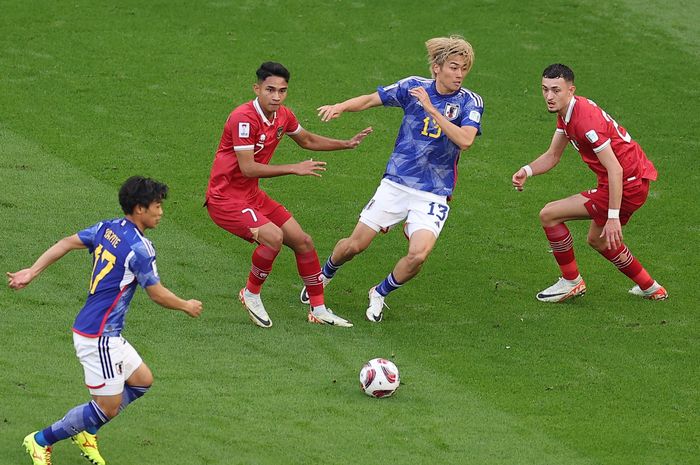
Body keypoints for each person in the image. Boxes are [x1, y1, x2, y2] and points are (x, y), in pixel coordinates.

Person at [8, 176, 203, 465]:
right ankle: (40, 440)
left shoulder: (107, 228)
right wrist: (185, 305)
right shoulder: (141, 249)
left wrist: (32, 272)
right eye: (157, 206)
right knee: (108, 407)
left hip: (103, 331)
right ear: (139, 209)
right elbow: (157, 294)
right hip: (99, 336)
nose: (161, 212)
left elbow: (65, 243)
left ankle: (87, 432)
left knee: (141, 381)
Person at [299, 35, 484, 322]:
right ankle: (324, 275)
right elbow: (373, 99)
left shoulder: (470, 102)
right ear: (437, 67)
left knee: (418, 256)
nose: (459, 74)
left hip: (434, 192)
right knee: (355, 246)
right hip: (396, 183)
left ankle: (380, 292)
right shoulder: (413, 86)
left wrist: (432, 109)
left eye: (463, 68)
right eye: (453, 67)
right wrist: (342, 106)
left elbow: (465, 140)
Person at [206, 61, 372, 328]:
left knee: (303, 241)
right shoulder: (243, 118)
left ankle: (318, 309)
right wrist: (293, 168)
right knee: (273, 237)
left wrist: (345, 144)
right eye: (270, 90)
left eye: (282, 91)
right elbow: (247, 168)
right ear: (257, 88)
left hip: (250, 195)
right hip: (225, 198)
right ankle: (250, 293)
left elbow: (306, 140)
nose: (276, 96)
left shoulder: (283, 115)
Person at [511, 63, 667, 302]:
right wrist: (527, 170)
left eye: (556, 90)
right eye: (545, 89)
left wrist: (613, 216)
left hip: (626, 184)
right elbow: (553, 155)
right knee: (598, 239)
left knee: (549, 214)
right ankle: (652, 288)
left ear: (571, 90)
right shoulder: (569, 112)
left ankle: (571, 282)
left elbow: (615, 169)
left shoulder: (585, 122)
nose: (549, 97)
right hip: (630, 180)